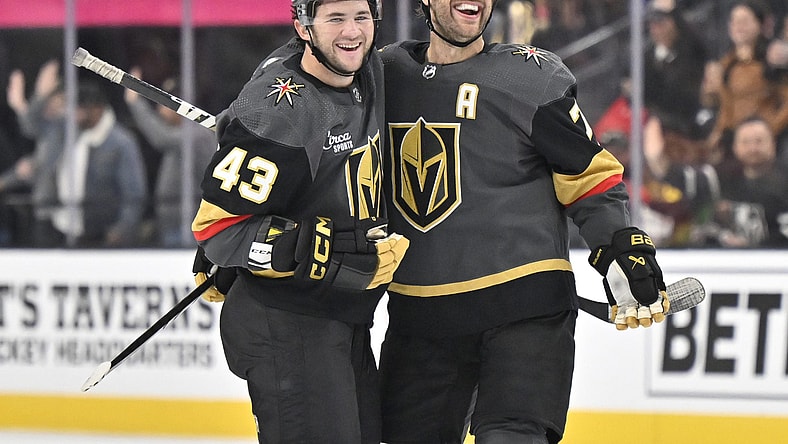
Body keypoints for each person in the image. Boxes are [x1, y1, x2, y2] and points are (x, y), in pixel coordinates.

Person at [378, 1, 668, 443]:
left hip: (525, 311)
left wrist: (621, 247)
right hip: (420, 319)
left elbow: (587, 176)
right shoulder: (384, 76)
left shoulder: (530, 77)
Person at [189, 1, 408, 443]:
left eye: (361, 17)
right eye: (335, 19)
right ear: (303, 27)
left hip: (338, 318)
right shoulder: (282, 110)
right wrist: (306, 246)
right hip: (286, 323)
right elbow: (216, 228)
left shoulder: (368, 72)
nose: (352, 32)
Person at [50, 81, 147, 247]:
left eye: (78, 110)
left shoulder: (121, 143)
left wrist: (121, 229)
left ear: (96, 109)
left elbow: (134, 192)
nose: (73, 115)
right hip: (67, 228)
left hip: (104, 234)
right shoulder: (69, 136)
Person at [124, 70, 216, 247]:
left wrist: (136, 103)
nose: (159, 110)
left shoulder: (198, 134)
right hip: (174, 224)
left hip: (190, 224)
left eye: (164, 104)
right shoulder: (181, 132)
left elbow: (161, 137)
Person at [2, 61, 65, 247]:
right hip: (43, 210)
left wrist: (29, 100)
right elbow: (37, 159)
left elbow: (31, 125)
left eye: (57, 100)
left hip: (61, 211)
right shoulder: (50, 131)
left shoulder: (66, 128)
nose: (50, 107)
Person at [710, 116, 788, 247]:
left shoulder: (785, 183)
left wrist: (753, 246)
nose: (753, 148)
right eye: (745, 142)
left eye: (759, 141)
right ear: (735, 147)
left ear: (773, 144)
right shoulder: (721, 182)